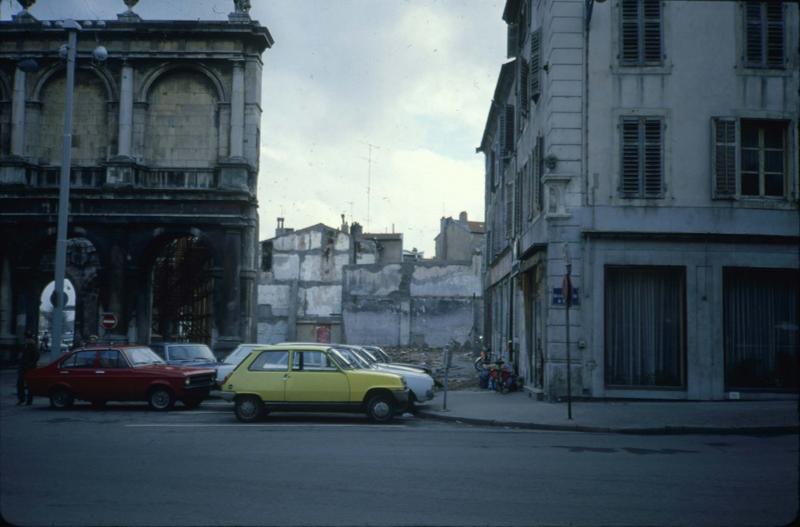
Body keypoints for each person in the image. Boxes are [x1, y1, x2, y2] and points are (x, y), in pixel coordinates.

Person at [17, 331, 39, 405]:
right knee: (20, 383)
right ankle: (22, 399)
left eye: (27, 338)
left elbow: (36, 356)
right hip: (23, 366)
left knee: (28, 384)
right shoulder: (25, 345)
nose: (26, 339)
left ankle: (28, 400)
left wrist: (31, 364)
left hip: (29, 368)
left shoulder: (32, 345)